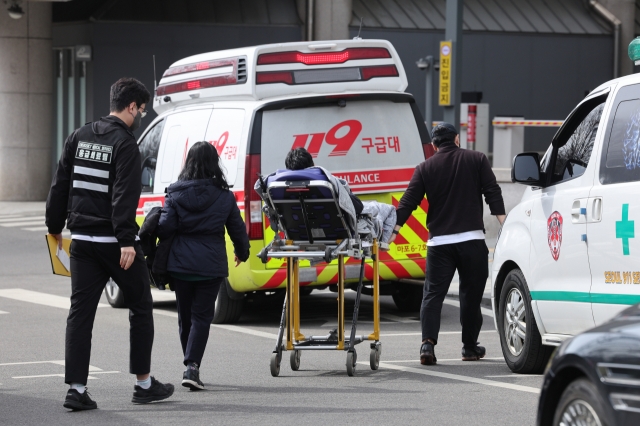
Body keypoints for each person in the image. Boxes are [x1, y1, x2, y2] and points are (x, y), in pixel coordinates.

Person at [46, 77, 174, 410]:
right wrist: (127, 240)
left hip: (82, 244)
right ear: (132, 106)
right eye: (142, 111)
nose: (141, 116)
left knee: (80, 314)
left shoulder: (79, 135)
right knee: (141, 306)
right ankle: (143, 384)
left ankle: (76, 389)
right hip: (115, 246)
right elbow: (124, 196)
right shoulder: (126, 144)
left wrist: (54, 226)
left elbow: (60, 184)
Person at [389, 123, 506, 365]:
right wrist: (504, 222)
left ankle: (427, 344)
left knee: (432, 295)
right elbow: (492, 191)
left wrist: (394, 231)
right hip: (472, 240)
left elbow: (408, 202)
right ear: (457, 139)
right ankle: (470, 347)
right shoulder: (477, 159)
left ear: (433, 146)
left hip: (439, 243)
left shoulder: (425, 167)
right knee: (471, 296)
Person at [157, 142, 250, 391]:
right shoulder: (224, 195)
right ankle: (192, 366)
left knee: (185, 317)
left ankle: (191, 364)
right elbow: (237, 229)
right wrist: (243, 253)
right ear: (214, 163)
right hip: (210, 266)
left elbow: (165, 227)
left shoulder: (175, 193)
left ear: (188, 163)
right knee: (201, 317)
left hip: (181, 265)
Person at [285, 147, 364, 215]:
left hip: (298, 230)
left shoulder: (280, 189)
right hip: (333, 229)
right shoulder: (328, 184)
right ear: (312, 164)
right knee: (375, 208)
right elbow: (358, 207)